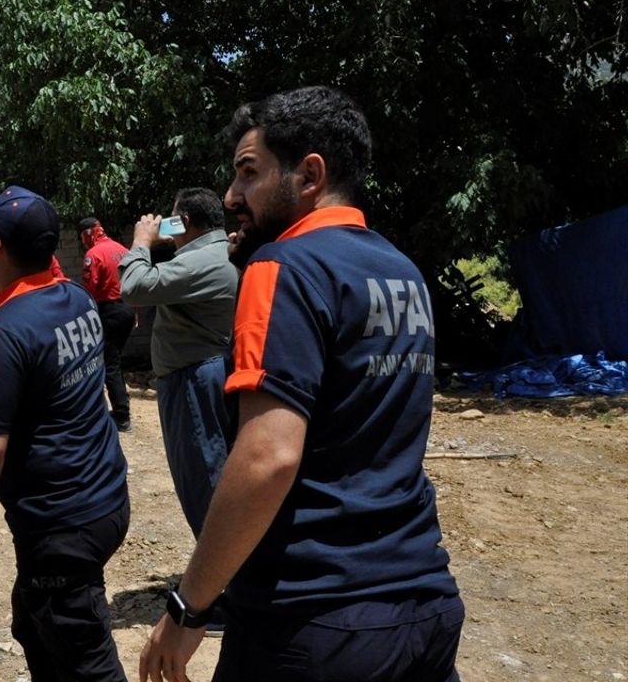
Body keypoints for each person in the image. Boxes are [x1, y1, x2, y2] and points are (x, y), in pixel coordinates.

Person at [138, 87, 463, 682]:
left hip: (312, 620)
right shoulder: (402, 271)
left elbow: (268, 456)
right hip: (426, 605)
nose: (232, 196)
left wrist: (188, 607)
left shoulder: (281, 267)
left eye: (249, 173)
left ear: (309, 175)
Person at [0, 187, 132, 682]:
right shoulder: (74, 297)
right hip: (106, 503)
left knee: (86, 661)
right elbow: (6, 267)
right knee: (34, 626)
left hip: (61, 529)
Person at [118, 189, 237, 539]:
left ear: (183, 221)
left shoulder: (201, 260)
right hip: (207, 373)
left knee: (203, 476)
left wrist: (142, 241)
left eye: (173, 219)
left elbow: (134, 286)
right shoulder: (226, 251)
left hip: (193, 382)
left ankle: (219, 562)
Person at [78, 218, 135, 432]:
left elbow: (90, 289)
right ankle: (120, 407)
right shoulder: (122, 250)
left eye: (82, 237)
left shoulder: (93, 254)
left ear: (88, 234)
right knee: (115, 360)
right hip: (127, 309)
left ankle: (122, 416)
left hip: (109, 311)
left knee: (108, 364)